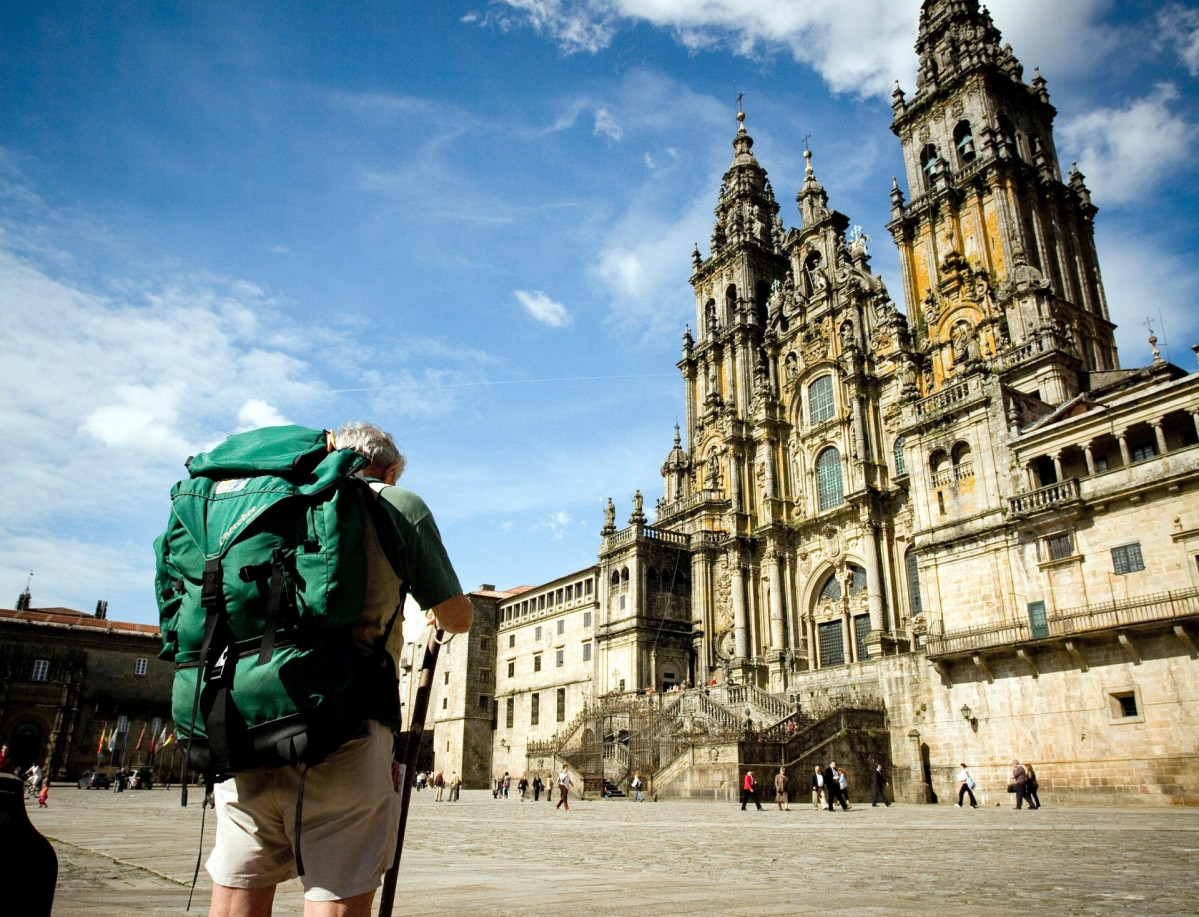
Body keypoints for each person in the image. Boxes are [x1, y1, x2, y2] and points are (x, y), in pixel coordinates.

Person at [205, 421, 473, 917]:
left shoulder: (262, 504)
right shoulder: (395, 503)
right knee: (337, 889)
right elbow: (458, 617)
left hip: (245, 719)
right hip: (347, 721)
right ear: (388, 470)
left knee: (239, 886)